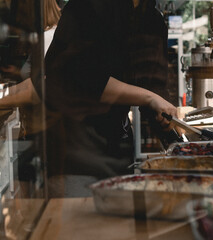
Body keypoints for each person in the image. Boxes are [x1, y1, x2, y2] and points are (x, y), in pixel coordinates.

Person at [37, 0, 177, 197]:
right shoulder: (85, 8)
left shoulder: (152, 20)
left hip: (117, 148)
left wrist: (169, 122)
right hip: (76, 154)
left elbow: (153, 88)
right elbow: (78, 77)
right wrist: (150, 98)